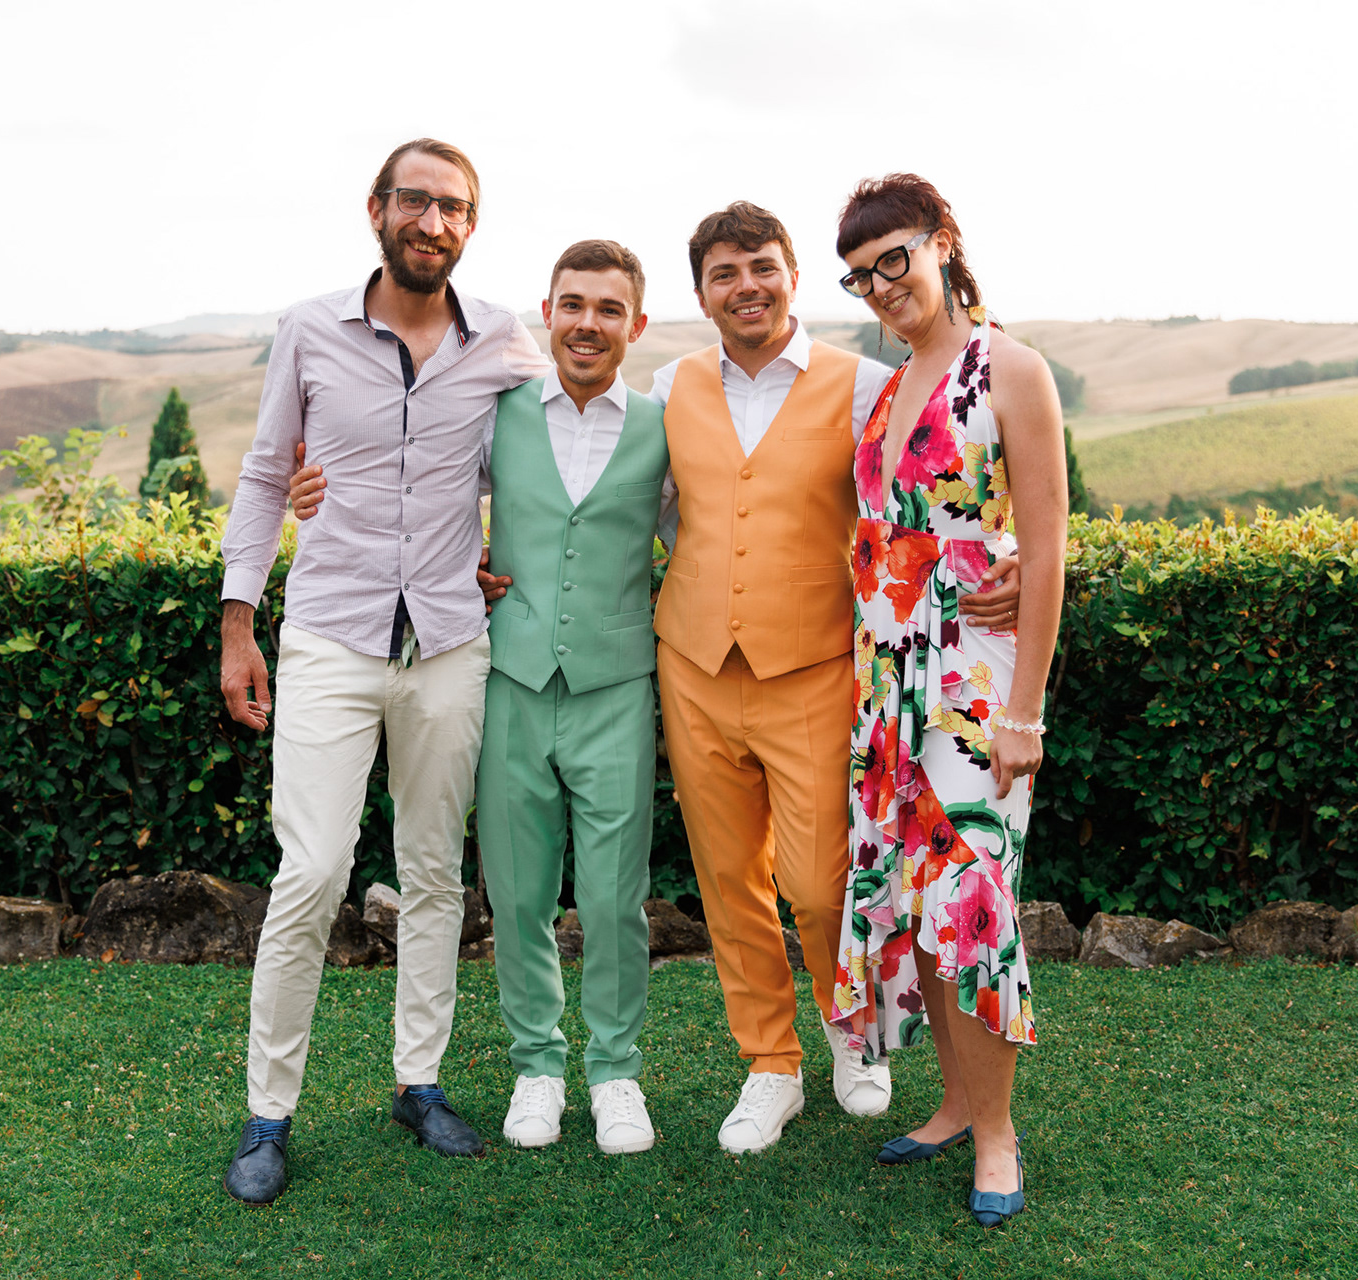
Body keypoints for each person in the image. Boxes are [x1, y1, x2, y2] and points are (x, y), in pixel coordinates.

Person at [646, 202, 1021, 1155]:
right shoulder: (667, 388)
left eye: (762, 267)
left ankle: (851, 1034)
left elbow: (939, 488)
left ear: (793, 275)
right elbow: (622, 507)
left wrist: (1011, 558)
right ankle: (770, 1066)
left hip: (816, 666)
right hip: (693, 664)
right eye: (725, 274)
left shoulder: (865, 386)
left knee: (823, 886)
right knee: (729, 882)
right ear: (702, 294)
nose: (746, 287)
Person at [216, 137, 545, 1206]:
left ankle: (420, 1081)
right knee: (312, 872)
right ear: (377, 209)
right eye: (416, 201)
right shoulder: (309, 328)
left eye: (453, 207)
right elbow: (265, 474)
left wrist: (507, 554)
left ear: (470, 225)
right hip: (329, 636)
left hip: (447, 639)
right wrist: (237, 624)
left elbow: (554, 453)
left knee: (435, 871)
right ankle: (269, 1112)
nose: (432, 222)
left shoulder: (502, 338)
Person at [286, 242, 668, 1157]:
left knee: (615, 897)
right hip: (511, 679)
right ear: (548, 312)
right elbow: (416, 488)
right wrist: (315, 488)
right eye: (572, 304)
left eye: (609, 308)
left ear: (637, 324)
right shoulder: (500, 415)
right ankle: (537, 1067)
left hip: (618, 685)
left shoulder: (666, 428)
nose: (587, 323)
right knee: (520, 893)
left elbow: (706, 536)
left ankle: (614, 1073)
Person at [826, 174, 1066, 1231]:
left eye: (896, 258)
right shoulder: (887, 387)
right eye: (861, 274)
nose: (883, 284)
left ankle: (998, 1131)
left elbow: (1046, 548)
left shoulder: (1010, 368)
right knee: (915, 894)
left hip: (972, 683)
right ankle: (956, 1103)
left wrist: (1025, 712)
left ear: (942, 243)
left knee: (973, 893)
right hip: (887, 681)